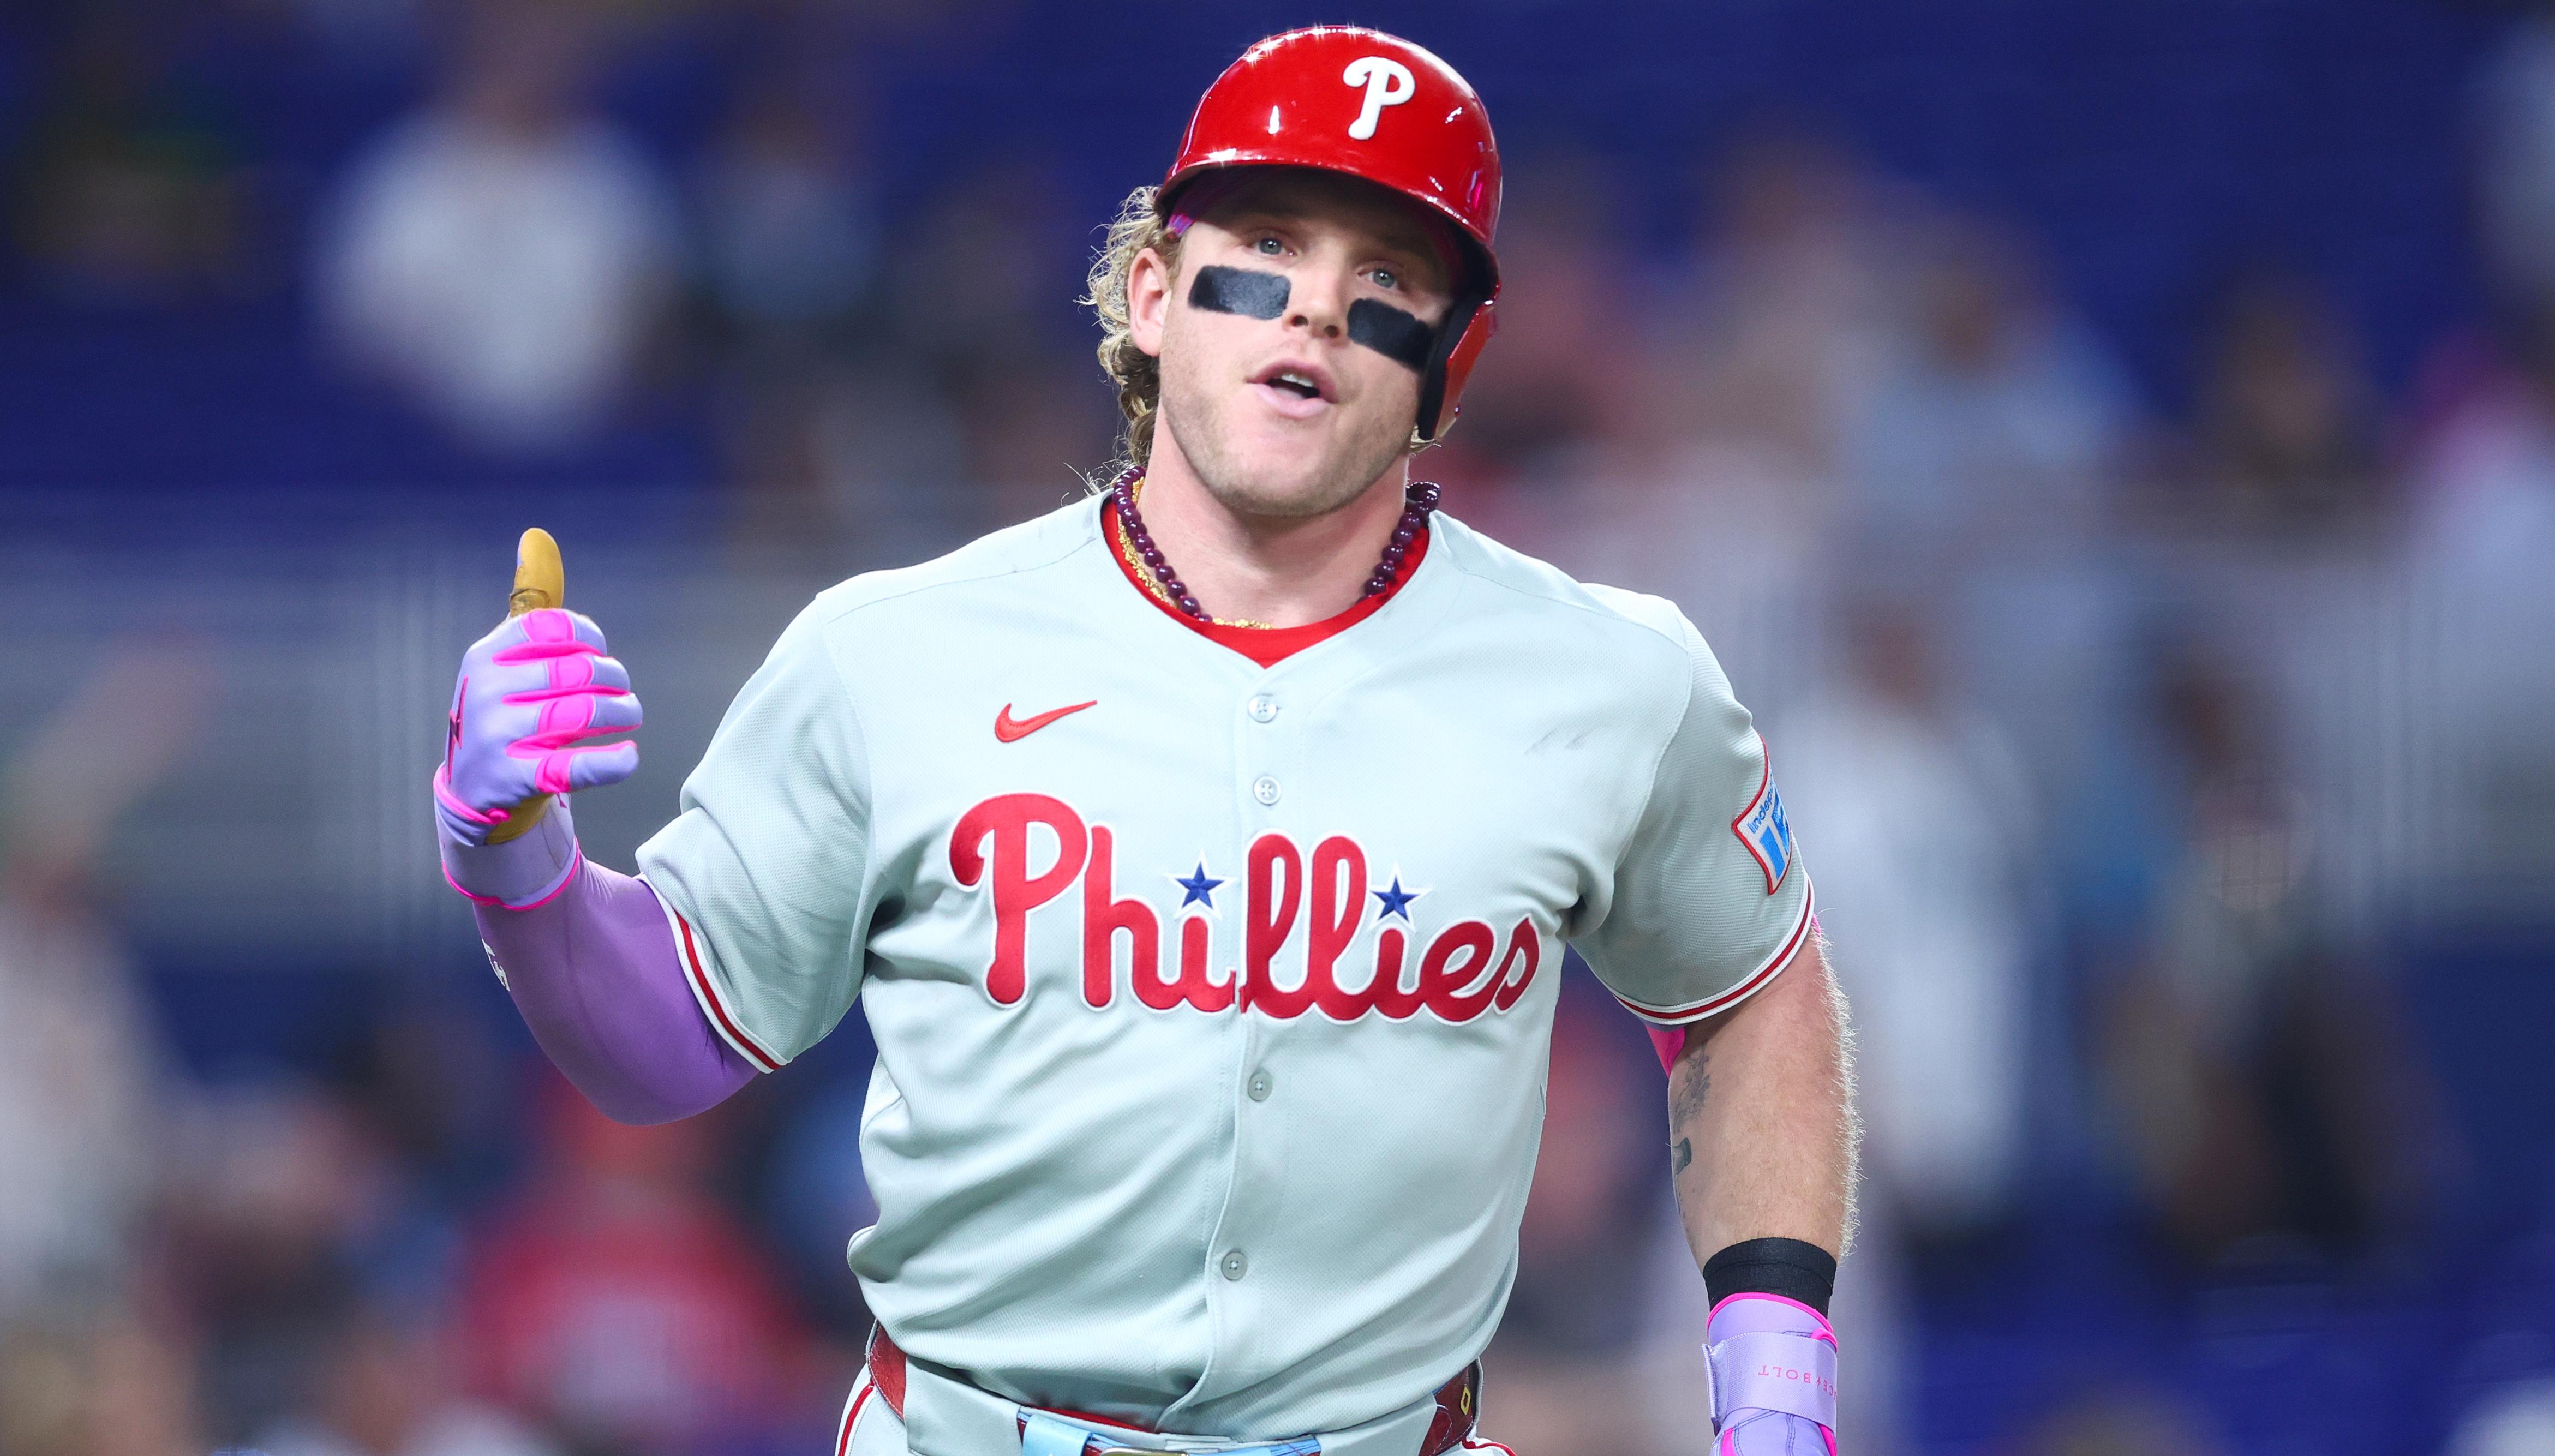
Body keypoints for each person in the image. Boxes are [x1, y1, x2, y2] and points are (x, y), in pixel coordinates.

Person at [430, 28, 1856, 1456]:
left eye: (1387, 290)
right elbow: (666, 1046)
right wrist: (513, 854)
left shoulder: (1610, 678)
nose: (1312, 313)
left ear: (1450, 363)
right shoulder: (894, 654)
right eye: (1268, 250)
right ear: (1153, 294)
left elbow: (1750, 986)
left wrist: (1777, 1360)